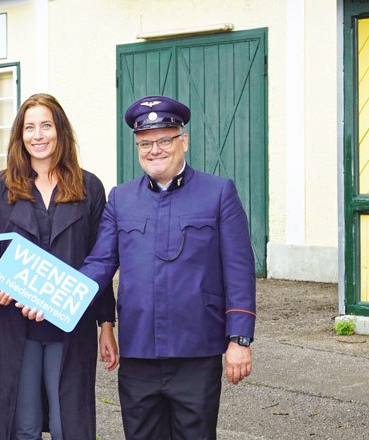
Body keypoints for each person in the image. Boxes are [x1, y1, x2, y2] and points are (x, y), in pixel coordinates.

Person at [79, 95, 256, 439]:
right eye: (145, 142)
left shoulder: (218, 193)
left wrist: (239, 339)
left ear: (183, 141)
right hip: (139, 352)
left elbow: (239, 270)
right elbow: (99, 263)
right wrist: (53, 297)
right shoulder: (121, 198)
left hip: (197, 351)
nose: (154, 149)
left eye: (164, 140)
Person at [0, 93, 118, 440]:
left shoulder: (88, 186)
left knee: (70, 421)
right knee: (22, 423)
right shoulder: (0, 186)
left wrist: (106, 323)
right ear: (20, 135)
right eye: (30, 127)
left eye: (46, 126)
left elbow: (98, 259)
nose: (38, 135)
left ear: (60, 131)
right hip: (12, 323)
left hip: (69, 324)